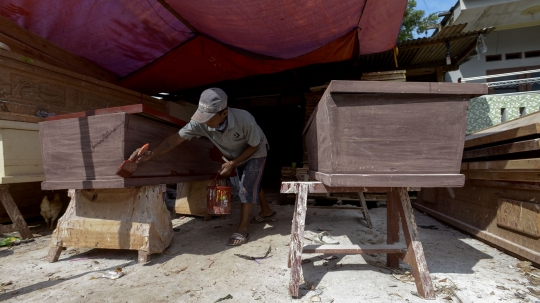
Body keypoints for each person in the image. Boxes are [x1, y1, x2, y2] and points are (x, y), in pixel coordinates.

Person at [135, 88, 276, 246]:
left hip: (255, 151)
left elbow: (254, 145)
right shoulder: (200, 124)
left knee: (247, 185)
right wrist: (152, 153)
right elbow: (175, 139)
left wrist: (233, 163)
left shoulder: (244, 119)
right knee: (250, 181)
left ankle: (242, 229)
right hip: (234, 154)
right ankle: (266, 211)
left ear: (224, 114)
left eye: (209, 118)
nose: (204, 121)